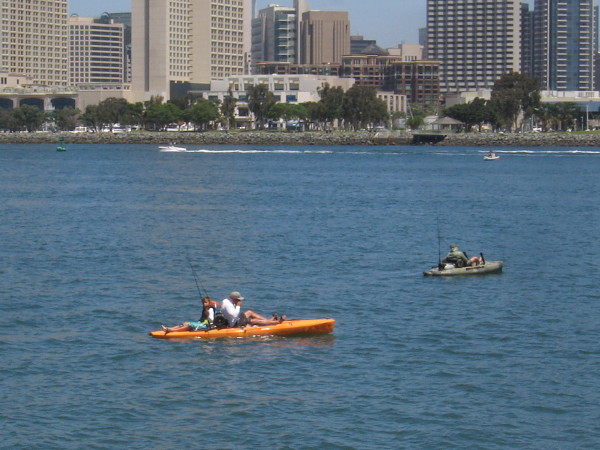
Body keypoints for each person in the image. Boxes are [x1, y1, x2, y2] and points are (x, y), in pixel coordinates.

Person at [220, 291, 285, 327]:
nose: (239, 301)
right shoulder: (228, 304)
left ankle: (268, 320)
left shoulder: (227, 300)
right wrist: (238, 306)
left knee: (249, 312)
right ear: (234, 299)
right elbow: (234, 315)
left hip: (235, 319)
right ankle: (276, 322)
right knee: (253, 321)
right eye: (238, 300)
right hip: (234, 323)